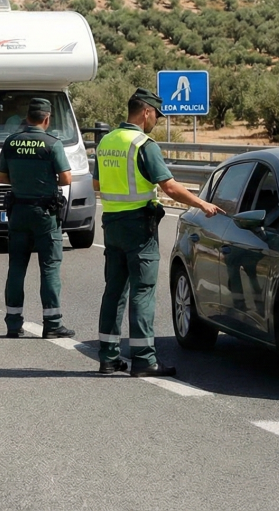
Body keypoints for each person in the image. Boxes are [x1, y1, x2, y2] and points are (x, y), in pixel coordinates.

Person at [94, 89, 221, 377]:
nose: (155, 122)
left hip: (111, 225)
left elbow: (97, 183)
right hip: (138, 226)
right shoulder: (143, 144)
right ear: (146, 112)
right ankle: (143, 359)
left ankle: (108, 357)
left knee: (114, 291)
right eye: (156, 116)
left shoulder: (106, 141)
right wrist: (202, 204)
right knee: (143, 291)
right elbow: (170, 186)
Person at [0, 98, 74, 339]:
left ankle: (13, 323)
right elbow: (67, 179)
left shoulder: (11, 142)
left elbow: (0, 177)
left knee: (17, 266)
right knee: (49, 267)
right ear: (47, 119)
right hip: (45, 214)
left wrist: (21, 181)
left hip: (18, 211)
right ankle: (52, 323)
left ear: (27, 117)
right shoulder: (52, 144)